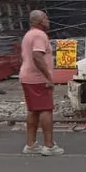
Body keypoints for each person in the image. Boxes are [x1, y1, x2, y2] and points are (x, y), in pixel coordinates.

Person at [20, 10, 62, 156]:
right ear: (38, 21)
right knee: (46, 109)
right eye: (45, 18)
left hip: (27, 77)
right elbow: (37, 56)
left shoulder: (29, 35)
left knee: (33, 110)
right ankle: (49, 146)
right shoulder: (39, 35)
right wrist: (48, 77)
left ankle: (31, 144)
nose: (48, 20)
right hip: (38, 79)